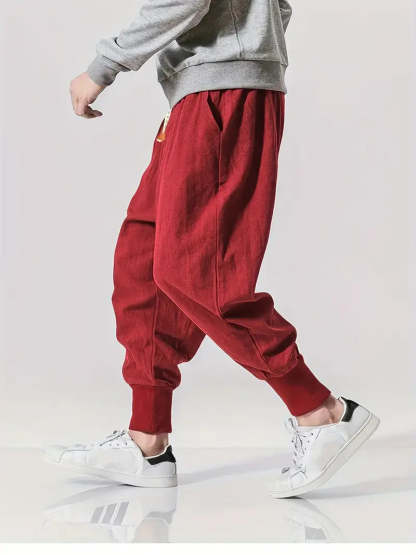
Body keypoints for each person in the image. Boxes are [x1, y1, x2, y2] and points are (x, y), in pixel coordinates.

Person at [45, 0, 380, 498]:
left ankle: (322, 412)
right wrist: (241, 42)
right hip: (201, 93)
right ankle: (147, 441)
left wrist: (104, 66)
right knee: (143, 264)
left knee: (201, 274)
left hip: (222, 94)